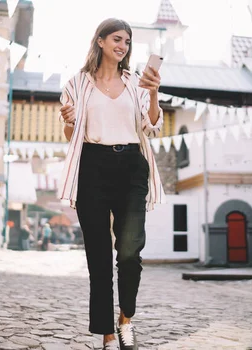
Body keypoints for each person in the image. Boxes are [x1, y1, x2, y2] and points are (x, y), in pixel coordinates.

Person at [57, 18, 165, 350]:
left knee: (130, 249)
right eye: (117, 39)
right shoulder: (77, 84)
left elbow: (151, 126)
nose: (123, 46)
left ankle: (126, 320)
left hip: (132, 166)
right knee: (99, 255)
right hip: (93, 166)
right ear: (101, 41)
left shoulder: (135, 83)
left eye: (128, 42)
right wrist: (69, 122)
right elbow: (70, 137)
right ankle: (106, 333)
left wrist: (154, 92)